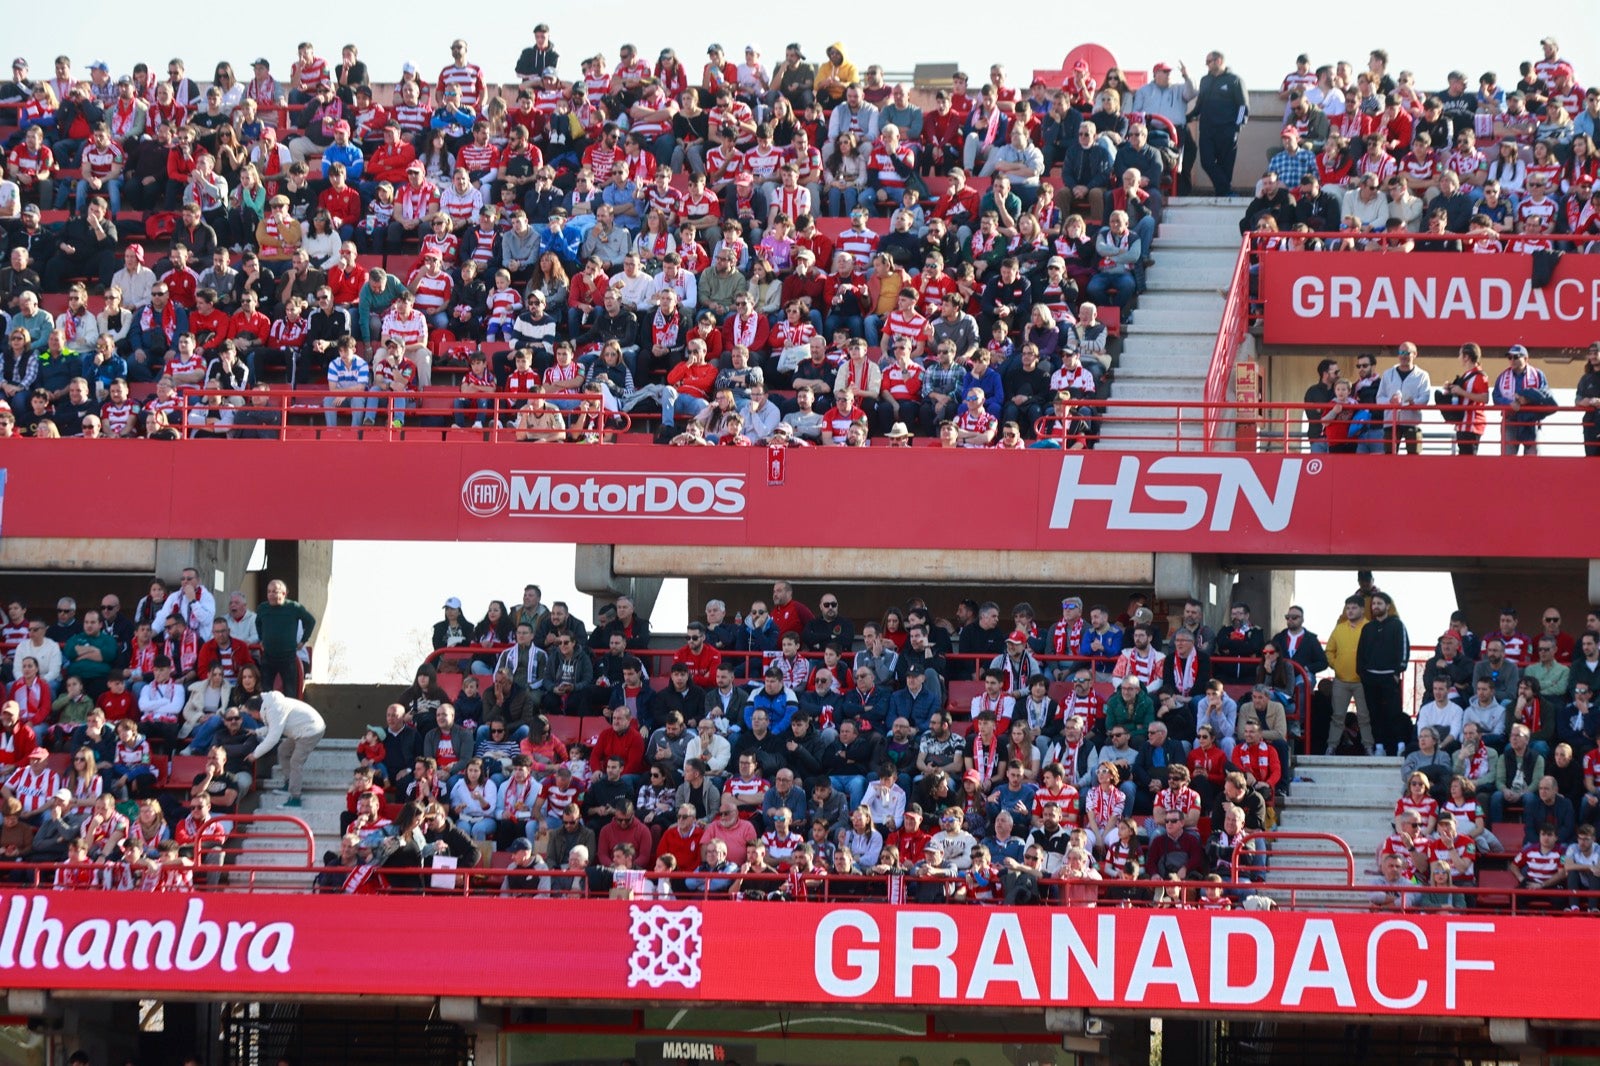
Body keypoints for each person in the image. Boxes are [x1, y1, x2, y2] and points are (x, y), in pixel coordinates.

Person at [245, 691, 326, 808]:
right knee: (283, 750)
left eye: (251, 714)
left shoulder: (274, 710)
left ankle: (295, 798)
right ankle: (289, 782)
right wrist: (257, 732)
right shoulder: (271, 706)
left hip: (311, 731)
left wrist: (255, 754)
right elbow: (274, 726)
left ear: (256, 711)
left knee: (295, 762)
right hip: (301, 730)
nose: (251, 717)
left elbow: (273, 738)